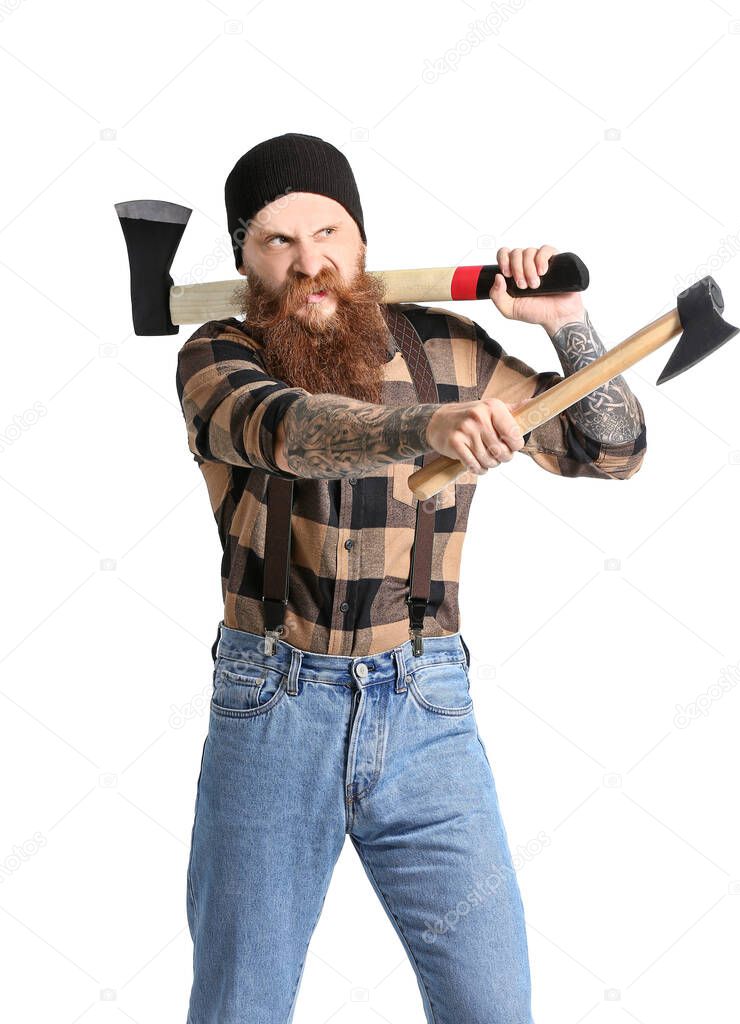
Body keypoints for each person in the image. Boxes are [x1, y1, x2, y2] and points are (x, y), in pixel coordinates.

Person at [177, 132, 646, 1024]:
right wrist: (420, 432)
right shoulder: (214, 355)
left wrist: (566, 325)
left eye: (327, 232)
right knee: (239, 1006)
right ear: (244, 258)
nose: (310, 262)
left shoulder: (446, 349)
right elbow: (288, 430)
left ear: (361, 241)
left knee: (492, 1004)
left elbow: (612, 448)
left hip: (427, 707)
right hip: (272, 707)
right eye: (277, 241)